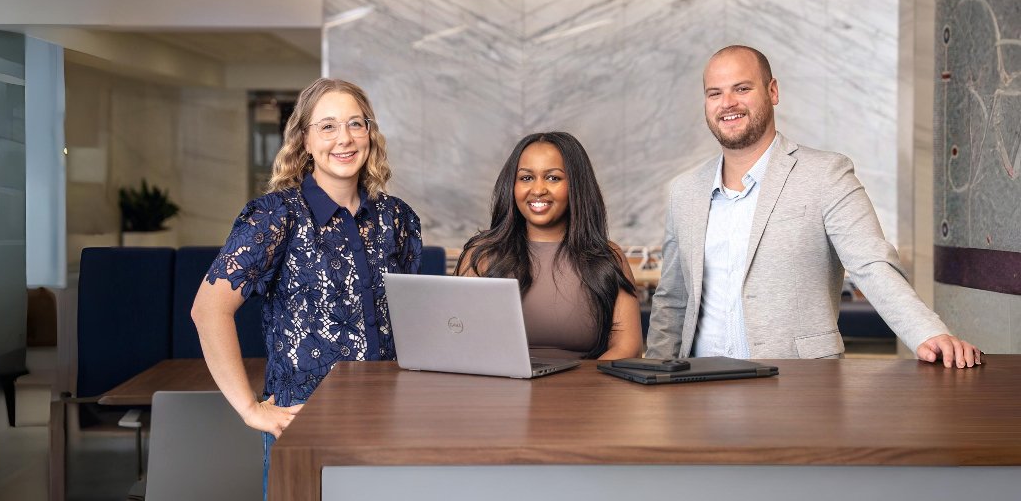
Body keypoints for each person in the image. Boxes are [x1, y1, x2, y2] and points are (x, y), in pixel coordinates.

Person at [646, 45, 981, 368]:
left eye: (742, 88)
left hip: (798, 385)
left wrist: (929, 332)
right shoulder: (684, 192)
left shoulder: (826, 175)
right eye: (714, 93)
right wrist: (655, 375)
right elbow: (672, 300)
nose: (727, 103)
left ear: (773, 91)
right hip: (698, 389)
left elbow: (872, 263)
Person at [191, 78, 423, 495]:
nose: (345, 138)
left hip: (387, 421)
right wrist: (249, 409)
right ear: (304, 139)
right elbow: (208, 309)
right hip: (304, 421)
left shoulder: (398, 219)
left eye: (356, 124)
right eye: (328, 126)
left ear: (370, 133)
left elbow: (405, 322)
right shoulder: (275, 215)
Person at [456, 132, 642, 360]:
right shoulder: (481, 255)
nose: (538, 189)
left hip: (585, 391)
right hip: (500, 390)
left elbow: (628, 347)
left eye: (553, 178)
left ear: (576, 185)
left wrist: (585, 389)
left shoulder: (608, 257)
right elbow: (460, 338)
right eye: (526, 178)